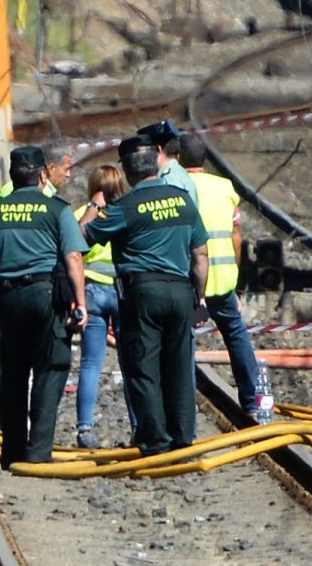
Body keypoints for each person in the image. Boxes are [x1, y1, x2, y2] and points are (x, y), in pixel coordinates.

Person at [85, 135, 207, 456]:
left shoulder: (124, 207)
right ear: (156, 161)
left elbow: (83, 236)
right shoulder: (183, 200)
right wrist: (198, 295)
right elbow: (201, 254)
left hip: (142, 293)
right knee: (180, 366)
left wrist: (94, 206)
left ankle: (155, 441)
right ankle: (182, 437)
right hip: (181, 291)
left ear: (126, 169)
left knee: (143, 368)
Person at [0, 145, 86, 466]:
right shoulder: (57, 210)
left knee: (14, 373)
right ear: (42, 174)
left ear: (13, 175)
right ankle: (38, 452)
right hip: (44, 295)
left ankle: (13, 451)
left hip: (7, 299)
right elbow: (73, 257)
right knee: (50, 367)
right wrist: (81, 302)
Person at [182, 143, 271, 421]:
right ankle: (253, 399)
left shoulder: (177, 185)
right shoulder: (225, 187)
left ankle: (184, 406)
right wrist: (234, 270)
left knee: (184, 340)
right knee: (235, 333)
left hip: (192, 276)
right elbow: (236, 236)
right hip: (223, 277)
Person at [72, 164, 127, 450]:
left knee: (91, 363)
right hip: (121, 291)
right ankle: (139, 425)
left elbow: (74, 252)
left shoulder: (79, 214)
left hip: (91, 292)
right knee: (130, 363)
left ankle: (84, 429)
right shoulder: (126, 212)